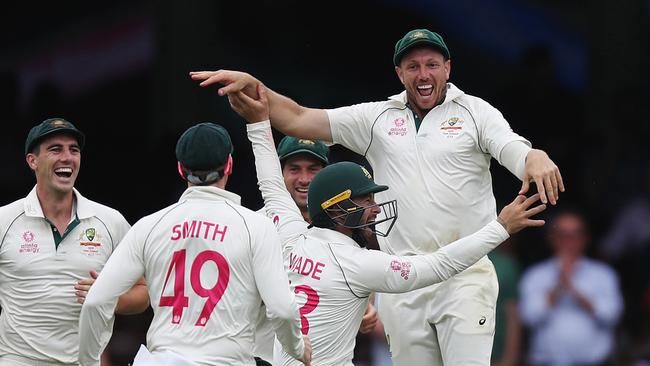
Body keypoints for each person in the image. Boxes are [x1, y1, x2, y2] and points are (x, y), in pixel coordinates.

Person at [190, 28, 564, 364]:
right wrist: (257, 88)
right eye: (412, 66)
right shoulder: (376, 118)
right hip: (400, 278)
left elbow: (510, 146)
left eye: (432, 64)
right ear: (399, 74)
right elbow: (300, 118)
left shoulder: (475, 112)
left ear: (448, 68)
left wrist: (535, 156)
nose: (423, 74)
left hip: (465, 277)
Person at [78, 122, 311, 366]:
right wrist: (296, 347)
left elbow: (95, 301)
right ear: (229, 165)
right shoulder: (257, 226)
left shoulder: (149, 226)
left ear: (180, 169)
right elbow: (282, 310)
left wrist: (89, 362)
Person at [0, 117, 149, 365]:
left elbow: (144, 293)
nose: (67, 157)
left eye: (74, 150)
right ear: (32, 160)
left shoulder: (110, 222)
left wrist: (107, 297)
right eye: (55, 149)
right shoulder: (5, 220)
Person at [253, 134, 380, 362]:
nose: (304, 179)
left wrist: (366, 306)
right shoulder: (256, 225)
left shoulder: (345, 224)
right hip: (263, 357)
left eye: (313, 169)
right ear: (280, 173)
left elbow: (360, 268)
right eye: (294, 169)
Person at [519, 209, 623, 365]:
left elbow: (612, 315)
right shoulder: (536, 275)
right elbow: (529, 317)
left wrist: (574, 290)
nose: (568, 241)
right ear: (552, 239)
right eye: (562, 235)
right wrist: (558, 286)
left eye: (575, 235)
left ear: (585, 239)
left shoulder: (603, 274)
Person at [488, 241, 522, 366]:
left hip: (495, 356)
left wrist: (510, 359)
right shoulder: (446, 260)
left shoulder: (504, 265)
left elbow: (513, 316)